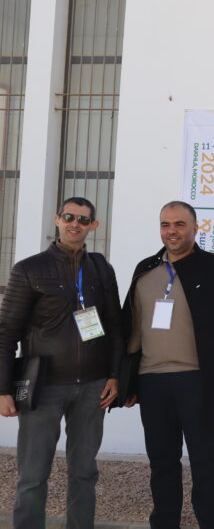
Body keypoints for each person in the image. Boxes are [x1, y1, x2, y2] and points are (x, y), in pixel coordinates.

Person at [0, 197, 122, 529]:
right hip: (44, 388)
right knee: (33, 474)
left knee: (84, 472)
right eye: (68, 217)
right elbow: (6, 332)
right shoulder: (29, 269)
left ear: (93, 226)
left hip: (93, 387)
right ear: (57, 220)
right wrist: (3, 389)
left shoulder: (101, 269)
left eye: (83, 220)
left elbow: (115, 326)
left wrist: (114, 376)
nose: (75, 224)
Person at [122, 200, 214, 529]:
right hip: (152, 381)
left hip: (199, 382)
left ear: (195, 227)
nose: (171, 231)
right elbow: (131, 329)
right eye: (165, 224)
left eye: (179, 224)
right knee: (162, 464)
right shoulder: (145, 270)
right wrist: (127, 382)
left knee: (206, 463)